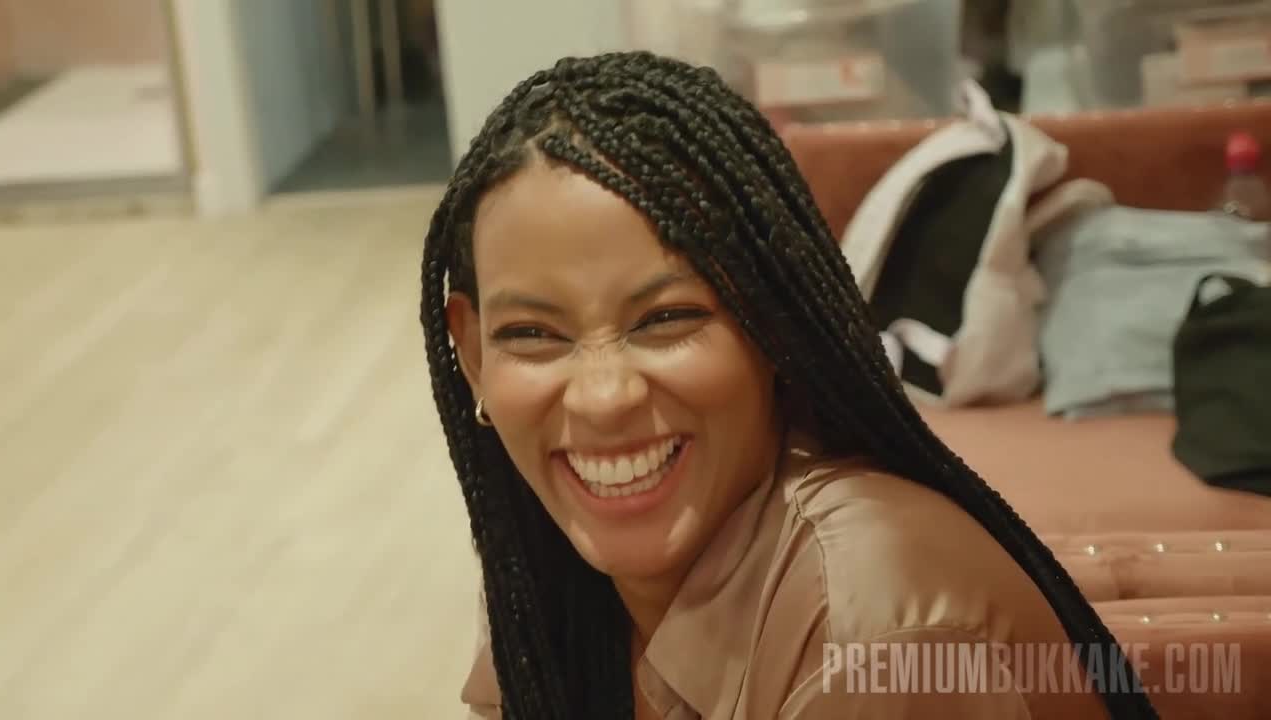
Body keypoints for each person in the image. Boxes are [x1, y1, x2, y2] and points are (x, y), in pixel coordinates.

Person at [419, 52, 1156, 719]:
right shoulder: (540, 561)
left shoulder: (870, 640)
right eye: (533, 334)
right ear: (473, 353)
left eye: (667, 319)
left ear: (770, 325)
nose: (602, 397)